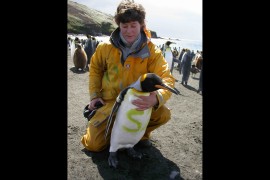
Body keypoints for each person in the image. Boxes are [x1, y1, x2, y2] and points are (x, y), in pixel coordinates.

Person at [81, 0, 176, 152]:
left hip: (137, 102)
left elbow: (167, 78)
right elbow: (95, 70)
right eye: (124, 26)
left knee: (163, 114)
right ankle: (101, 123)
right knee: (94, 145)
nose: (129, 31)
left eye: (133, 26)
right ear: (119, 25)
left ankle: (140, 135)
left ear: (142, 25)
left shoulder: (152, 52)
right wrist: (94, 96)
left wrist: (156, 97)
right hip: (111, 102)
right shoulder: (106, 47)